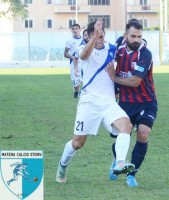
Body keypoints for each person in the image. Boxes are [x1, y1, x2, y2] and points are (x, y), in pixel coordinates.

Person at [56, 21, 135, 183]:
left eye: (102, 35)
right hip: (89, 102)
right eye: (97, 36)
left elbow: (127, 52)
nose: (100, 39)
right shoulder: (83, 50)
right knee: (78, 143)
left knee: (126, 126)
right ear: (91, 36)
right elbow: (84, 56)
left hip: (108, 102)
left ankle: (119, 162)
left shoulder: (112, 49)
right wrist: (93, 37)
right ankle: (62, 165)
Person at [106, 20, 158, 187]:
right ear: (125, 36)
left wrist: (114, 78)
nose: (137, 40)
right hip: (125, 103)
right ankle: (117, 160)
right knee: (121, 136)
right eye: (133, 36)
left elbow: (135, 81)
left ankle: (131, 175)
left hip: (146, 102)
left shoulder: (145, 54)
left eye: (140, 36)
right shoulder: (117, 51)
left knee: (143, 133)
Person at [64, 23, 83, 98]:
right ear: (71, 31)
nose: (75, 30)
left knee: (86, 81)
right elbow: (65, 54)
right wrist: (73, 58)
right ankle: (76, 90)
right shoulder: (69, 41)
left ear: (80, 30)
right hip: (74, 65)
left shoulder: (84, 39)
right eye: (73, 29)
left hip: (84, 63)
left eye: (77, 29)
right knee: (76, 84)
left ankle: (83, 95)